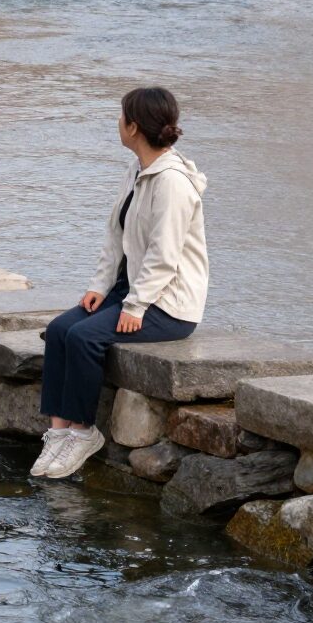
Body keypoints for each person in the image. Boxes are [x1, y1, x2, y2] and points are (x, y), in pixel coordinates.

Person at [32, 86, 209, 481]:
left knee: (84, 338)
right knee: (61, 329)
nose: (117, 124)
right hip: (128, 291)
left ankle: (83, 432)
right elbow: (116, 235)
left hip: (166, 306)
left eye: (120, 117)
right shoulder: (138, 171)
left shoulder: (173, 183)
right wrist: (99, 285)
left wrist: (135, 306)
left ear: (133, 127)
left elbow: (165, 257)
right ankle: (59, 434)